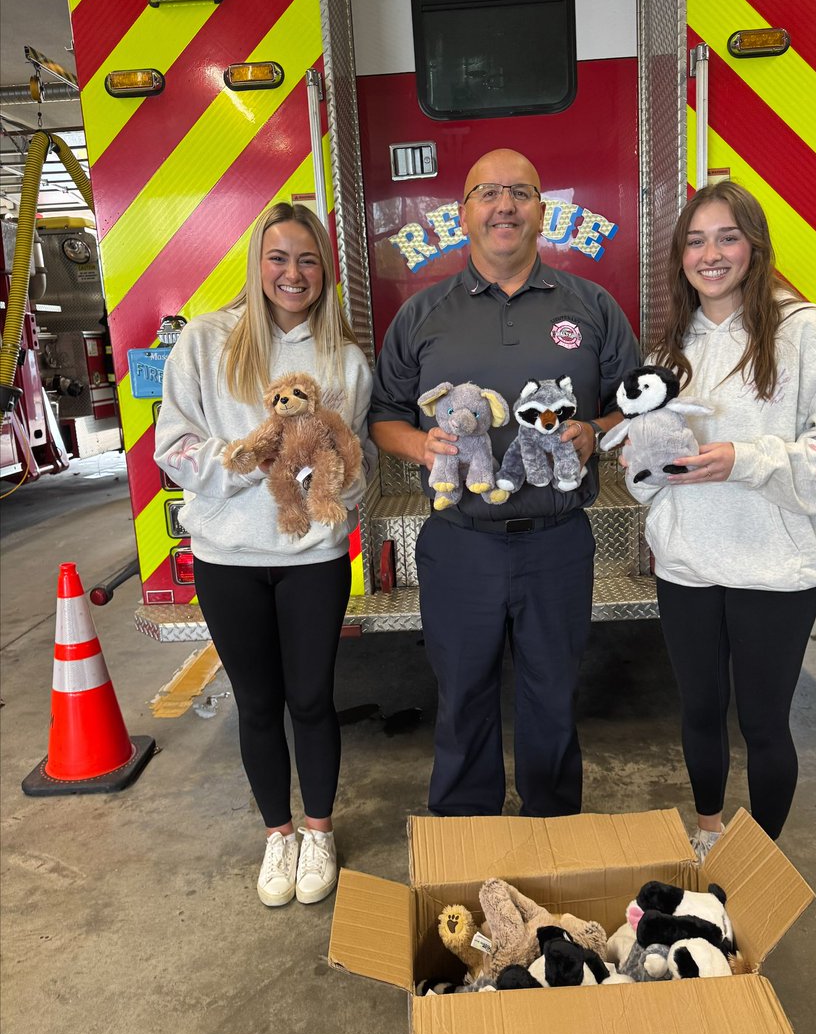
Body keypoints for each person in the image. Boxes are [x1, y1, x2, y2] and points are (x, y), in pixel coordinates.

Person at [369, 148, 641, 817]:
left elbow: (635, 404)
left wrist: (595, 430)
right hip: (460, 541)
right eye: (486, 192)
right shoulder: (423, 314)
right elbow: (383, 417)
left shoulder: (591, 306)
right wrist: (419, 442)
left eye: (520, 191)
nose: (503, 205)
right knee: (461, 695)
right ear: (463, 215)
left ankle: (551, 825)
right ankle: (466, 829)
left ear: (540, 212)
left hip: (557, 540)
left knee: (552, 695)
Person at [626, 181, 816, 858]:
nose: (710, 254)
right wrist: (648, 465)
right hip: (686, 565)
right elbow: (641, 473)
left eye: (726, 237)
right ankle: (709, 834)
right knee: (700, 711)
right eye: (695, 240)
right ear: (680, 255)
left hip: (774, 567)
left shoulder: (804, 331)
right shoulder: (667, 350)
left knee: (764, 722)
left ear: (754, 247)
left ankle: (759, 854)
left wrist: (744, 457)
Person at [154, 203, 373, 906]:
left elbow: (357, 455)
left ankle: (318, 830)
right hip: (226, 555)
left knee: (310, 699)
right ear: (256, 264)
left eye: (307, 260)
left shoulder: (342, 357)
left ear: (324, 271)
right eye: (278, 258)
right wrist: (246, 462)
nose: (292, 273)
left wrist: (327, 478)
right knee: (256, 702)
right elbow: (173, 446)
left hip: (313, 557)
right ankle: (277, 834)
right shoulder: (206, 341)